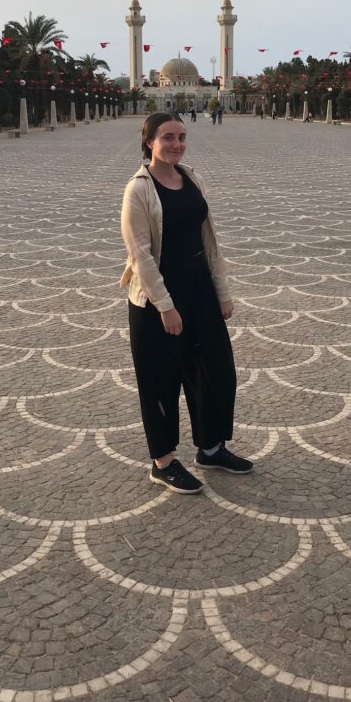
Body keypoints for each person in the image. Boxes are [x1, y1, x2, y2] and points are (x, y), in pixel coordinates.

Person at [120, 113, 253, 494]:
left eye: (181, 137)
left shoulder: (191, 178)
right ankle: (162, 461)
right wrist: (165, 306)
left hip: (199, 291)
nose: (176, 144)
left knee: (217, 372)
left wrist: (222, 293)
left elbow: (209, 240)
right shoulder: (139, 189)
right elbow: (140, 255)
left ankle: (211, 447)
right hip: (156, 299)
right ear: (149, 142)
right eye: (167, 138)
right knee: (160, 382)